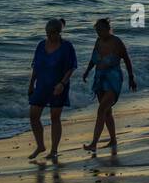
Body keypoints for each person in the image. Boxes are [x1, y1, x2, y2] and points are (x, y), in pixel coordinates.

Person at [81, 17, 136, 152]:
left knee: (101, 110)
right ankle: (113, 140)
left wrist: (131, 77)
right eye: (96, 30)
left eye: (100, 30)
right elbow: (93, 58)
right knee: (107, 112)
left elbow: (127, 59)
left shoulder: (117, 42)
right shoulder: (98, 41)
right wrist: (87, 71)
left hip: (113, 79)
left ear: (107, 29)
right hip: (100, 78)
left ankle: (94, 143)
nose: (98, 33)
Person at [28, 18, 78, 160]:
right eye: (47, 33)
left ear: (58, 32)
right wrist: (31, 83)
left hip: (58, 87)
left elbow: (71, 67)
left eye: (51, 33)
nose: (49, 36)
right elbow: (36, 66)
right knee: (33, 116)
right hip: (42, 85)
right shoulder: (41, 45)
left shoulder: (66, 46)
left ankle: (54, 150)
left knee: (55, 117)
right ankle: (40, 145)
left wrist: (62, 84)